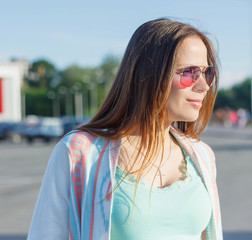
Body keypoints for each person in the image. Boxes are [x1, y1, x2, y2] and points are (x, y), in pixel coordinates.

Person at [27, 18, 222, 240]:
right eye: (189, 72)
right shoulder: (79, 152)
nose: (204, 85)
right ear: (149, 74)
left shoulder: (202, 156)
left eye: (207, 73)